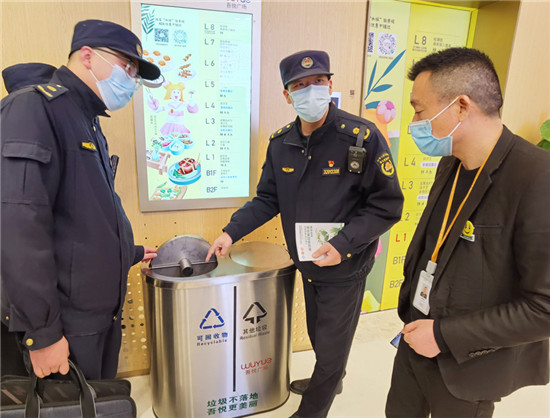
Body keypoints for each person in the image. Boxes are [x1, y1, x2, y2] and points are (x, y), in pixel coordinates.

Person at [207, 50, 404, 418]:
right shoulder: (282, 142)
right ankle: (332, 376)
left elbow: (387, 205)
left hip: (345, 262)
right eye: (299, 85)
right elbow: (268, 198)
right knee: (319, 332)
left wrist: (342, 245)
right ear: (287, 95)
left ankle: (313, 406)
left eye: (318, 82)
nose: (310, 91)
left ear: (330, 84)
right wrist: (230, 232)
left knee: (330, 343)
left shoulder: (361, 137)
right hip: (308, 262)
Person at [385, 47, 550, 418]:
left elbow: (544, 307)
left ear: (460, 107)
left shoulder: (537, 178)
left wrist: (444, 336)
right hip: (415, 339)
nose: (415, 122)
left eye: (419, 110)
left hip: (468, 363)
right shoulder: (451, 163)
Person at [1, 19, 160, 380]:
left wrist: (129, 252)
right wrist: (43, 335)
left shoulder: (84, 118)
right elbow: (18, 228)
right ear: (88, 56)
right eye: (128, 67)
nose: (132, 80)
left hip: (96, 318)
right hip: (63, 326)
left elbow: (79, 219)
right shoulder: (34, 109)